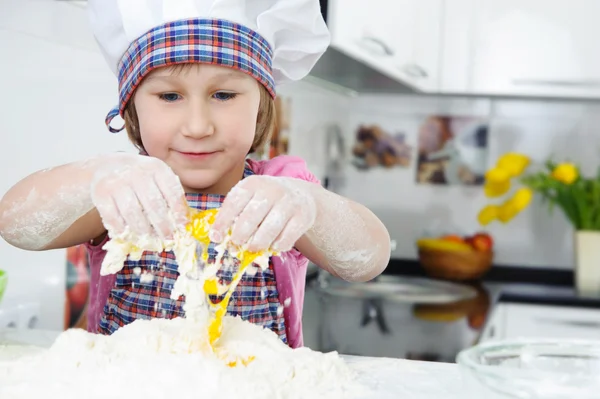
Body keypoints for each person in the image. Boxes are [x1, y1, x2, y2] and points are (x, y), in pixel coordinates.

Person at [0, 0, 390, 348]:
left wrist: (311, 207)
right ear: (131, 108)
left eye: (224, 95)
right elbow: (16, 225)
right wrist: (95, 177)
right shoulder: (123, 192)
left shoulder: (279, 192)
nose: (198, 126)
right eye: (169, 96)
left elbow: (367, 259)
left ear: (262, 104)